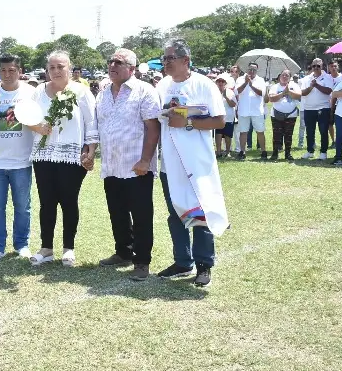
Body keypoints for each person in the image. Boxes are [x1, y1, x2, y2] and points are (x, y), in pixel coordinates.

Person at [155, 39, 227, 287]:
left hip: (196, 162)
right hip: (170, 163)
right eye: (164, 58)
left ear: (186, 60)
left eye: (170, 58)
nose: (166, 63)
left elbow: (219, 121)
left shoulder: (204, 84)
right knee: (175, 212)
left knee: (200, 213)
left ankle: (204, 265)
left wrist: (187, 122)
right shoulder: (162, 85)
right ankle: (182, 261)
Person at [28, 51, 98, 267]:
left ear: (70, 68)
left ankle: (69, 248)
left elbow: (92, 124)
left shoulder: (82, 92)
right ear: (47, 70)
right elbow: (26, 117)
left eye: (61, 67)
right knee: (46, 202)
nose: (56, 71)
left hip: (72, 156)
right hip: (44, 155)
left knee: (69, 202)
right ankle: (46, 248)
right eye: (52, 67)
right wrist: (38, 127)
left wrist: (91, 151)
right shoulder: (38, 91)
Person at [95, 49, 161, 280]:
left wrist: (145, 160)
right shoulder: (103, 93)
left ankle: (142, 261)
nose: (112, 65)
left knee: (141, 215)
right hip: (112, 164)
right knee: (118, 212)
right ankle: (123, 252)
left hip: (137, 166)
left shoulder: (144, 91)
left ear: (132, 69)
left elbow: (153, 128)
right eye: (110, 61)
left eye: (118, 62)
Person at [0, 54, 35, 263]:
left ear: (20, 71)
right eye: (3, 70)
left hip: (22, 161)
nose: (7, 74)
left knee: (23, 207)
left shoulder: (31, 93)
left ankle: (22, 244)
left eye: (12, 70)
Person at [300, 58, 335, 160]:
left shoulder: (328, 77)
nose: (315, 68)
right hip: (309, 108)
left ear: (322, 66)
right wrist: (311, 87)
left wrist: (316, 85)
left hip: (323, 108)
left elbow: (328, 91)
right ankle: (310, 151)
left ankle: (323, 152)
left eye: (318, 66)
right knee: (310, 131)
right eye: (313, 66)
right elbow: (303, 93)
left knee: (323, 131)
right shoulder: (307, 78)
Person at [235, 62, 267, 160]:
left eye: (254, 70)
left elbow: (262, 93)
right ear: (247, 69)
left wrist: (251, 85)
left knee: (260, 131)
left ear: (257, 70)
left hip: (257, 110)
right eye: (250, 69)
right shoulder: (240, 79)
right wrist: (245, 83)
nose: (251, 71)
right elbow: (236, 92)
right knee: (243, 132)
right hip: (244, 110)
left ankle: (263, 151)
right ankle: (242, 151)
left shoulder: (261, 80)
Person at [267, 70, 301, 161]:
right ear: (279, 76)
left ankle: (288, 153)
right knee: (276, 134)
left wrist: (289, 91)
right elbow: (272, 98)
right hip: (276, 114)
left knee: (288, 134)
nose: (284, 77)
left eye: (287, 75)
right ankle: (275, 153)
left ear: (290, 78)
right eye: (283, 75)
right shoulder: (275, 87)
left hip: (291, 115)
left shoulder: (294, 86)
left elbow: (298, 96)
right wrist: (282, 93)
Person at [214, 76, 237, 158]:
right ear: (216, 83)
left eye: (222, 81)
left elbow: (233, 104)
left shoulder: (230, 92)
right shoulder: (213, 92)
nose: (220, 83)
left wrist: (225, 96)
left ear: (225, 83)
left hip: (228, 117)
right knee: (218, 135)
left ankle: (227, 152)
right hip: (218, 117)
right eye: (219, 81)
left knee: (228, 136)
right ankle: (219, 152)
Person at [327, 60, 341, 148]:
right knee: (330, 123)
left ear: (338, 67)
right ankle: (333, 141)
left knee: (340, 124)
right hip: (328, 103)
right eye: (331, 66)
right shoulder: (327, 77)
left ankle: (340, 140)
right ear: (328, 67)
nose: (333, 68)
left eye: (335, 66)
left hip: (340, 103)